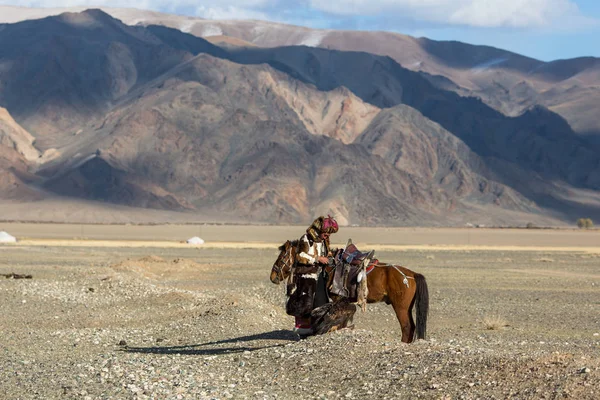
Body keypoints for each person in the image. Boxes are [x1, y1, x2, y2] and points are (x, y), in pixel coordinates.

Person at [285, 215, 339, 336]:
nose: (327, 236)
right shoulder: (306, 239)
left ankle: (319, 328)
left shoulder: (324, 241)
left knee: (322, 300)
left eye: (329, 235)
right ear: (319, 230)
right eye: (325, 234)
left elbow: (326, 253)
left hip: (319, 274)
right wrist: (317, 258)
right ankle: (305, 330)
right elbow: (300, 256)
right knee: (306, 302)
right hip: (305, 275)